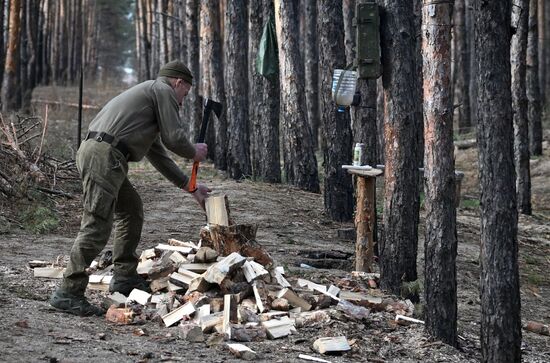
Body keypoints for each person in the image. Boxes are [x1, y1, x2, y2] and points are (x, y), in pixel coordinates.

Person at [50, 61, 210, 316]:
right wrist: (194, 151)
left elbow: (158, 153)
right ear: (178, 83)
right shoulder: (163, 90)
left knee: (131, 210)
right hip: (104, 156)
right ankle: (68, 292)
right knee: (97, 224)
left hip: (104, 154)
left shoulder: (149, 100)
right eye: (185, 94)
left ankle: (124, 277)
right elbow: (174, 138)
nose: (182, 102)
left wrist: (189, 186)